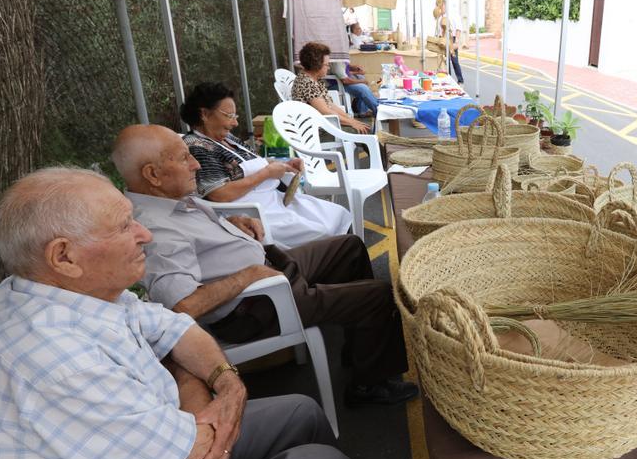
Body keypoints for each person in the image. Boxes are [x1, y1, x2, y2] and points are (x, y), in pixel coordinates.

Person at [0, 167, 382, 459]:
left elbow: (176, 328)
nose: (144, 234)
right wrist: (198, 397)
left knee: (299, 414)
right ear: (65, 256)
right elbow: (194, 451)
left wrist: (225, 381)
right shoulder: (52, 357)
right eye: (123, 226)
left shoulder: (73, 292)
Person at [113, 124, 418, 406]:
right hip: (255, 306)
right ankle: (368, 386)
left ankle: (363, 351)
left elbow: (198, 245)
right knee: (378, 295)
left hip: (268, 268)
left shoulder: (170, 200)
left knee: (348, 248)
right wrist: (248, 276)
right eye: (183, 158)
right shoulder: (156, 230)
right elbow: (182, 306)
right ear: (152, 174)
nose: (194, 164)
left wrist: (232, 223)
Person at [182, 82, 351, 248]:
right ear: (204, 114)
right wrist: (267, 173)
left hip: (273, 201)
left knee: (335, 213)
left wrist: (284, 164)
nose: (235, 123)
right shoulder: (197, 147)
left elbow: (252, 160)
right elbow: (219, 194)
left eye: (235, 116)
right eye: (229, 116)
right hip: (251, 213)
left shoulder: (226, 138)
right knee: (322, 230)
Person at [291, 41, 372, 134]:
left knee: (364, 128)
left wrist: (352, 120)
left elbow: (330, 105)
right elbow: (325, 111)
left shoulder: (314, 79)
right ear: (316, 65)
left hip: (325, 122)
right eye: (326, 64)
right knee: (366, 131)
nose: (328, 67)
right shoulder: (307, 83)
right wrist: (352, 123)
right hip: (317, 128)